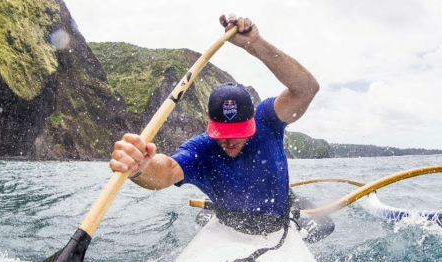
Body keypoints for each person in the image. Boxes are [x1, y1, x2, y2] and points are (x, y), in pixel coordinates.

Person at [110, 14, 319, 234]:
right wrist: (139, 167)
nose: (230, 141)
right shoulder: (201, 149)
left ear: (253, 117)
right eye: (223, 132)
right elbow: (168, 170)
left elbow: (306, 89)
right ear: (210, 118)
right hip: (230, 224)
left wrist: (255, 44)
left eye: (238, 132)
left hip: (279, 220)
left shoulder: (267, 120)